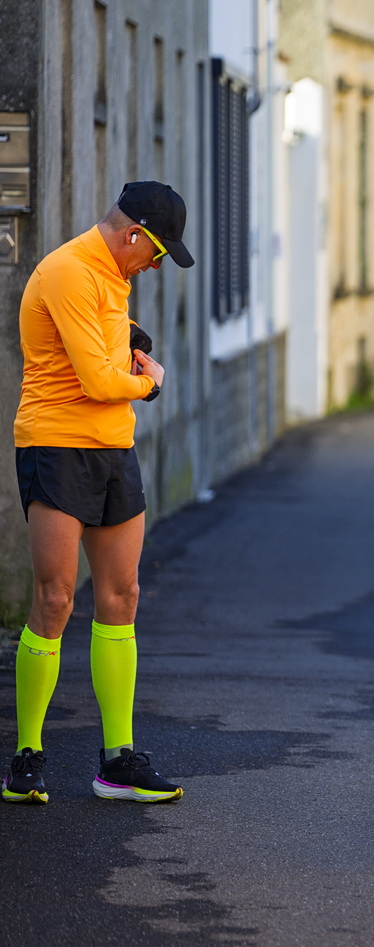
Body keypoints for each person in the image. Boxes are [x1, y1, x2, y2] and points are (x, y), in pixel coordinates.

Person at [6, 181, 193, 805]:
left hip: (114, 448)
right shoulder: (67, 270)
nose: (156, 266)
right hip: (57, 446)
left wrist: (131, 342)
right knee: (56, 598)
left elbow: (104, 344)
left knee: (123, 595)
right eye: (157, 253)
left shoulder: (114, 277)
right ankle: (26, 757)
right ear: (134, 233)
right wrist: (150, 383)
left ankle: (117, 763)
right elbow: (95, 380)